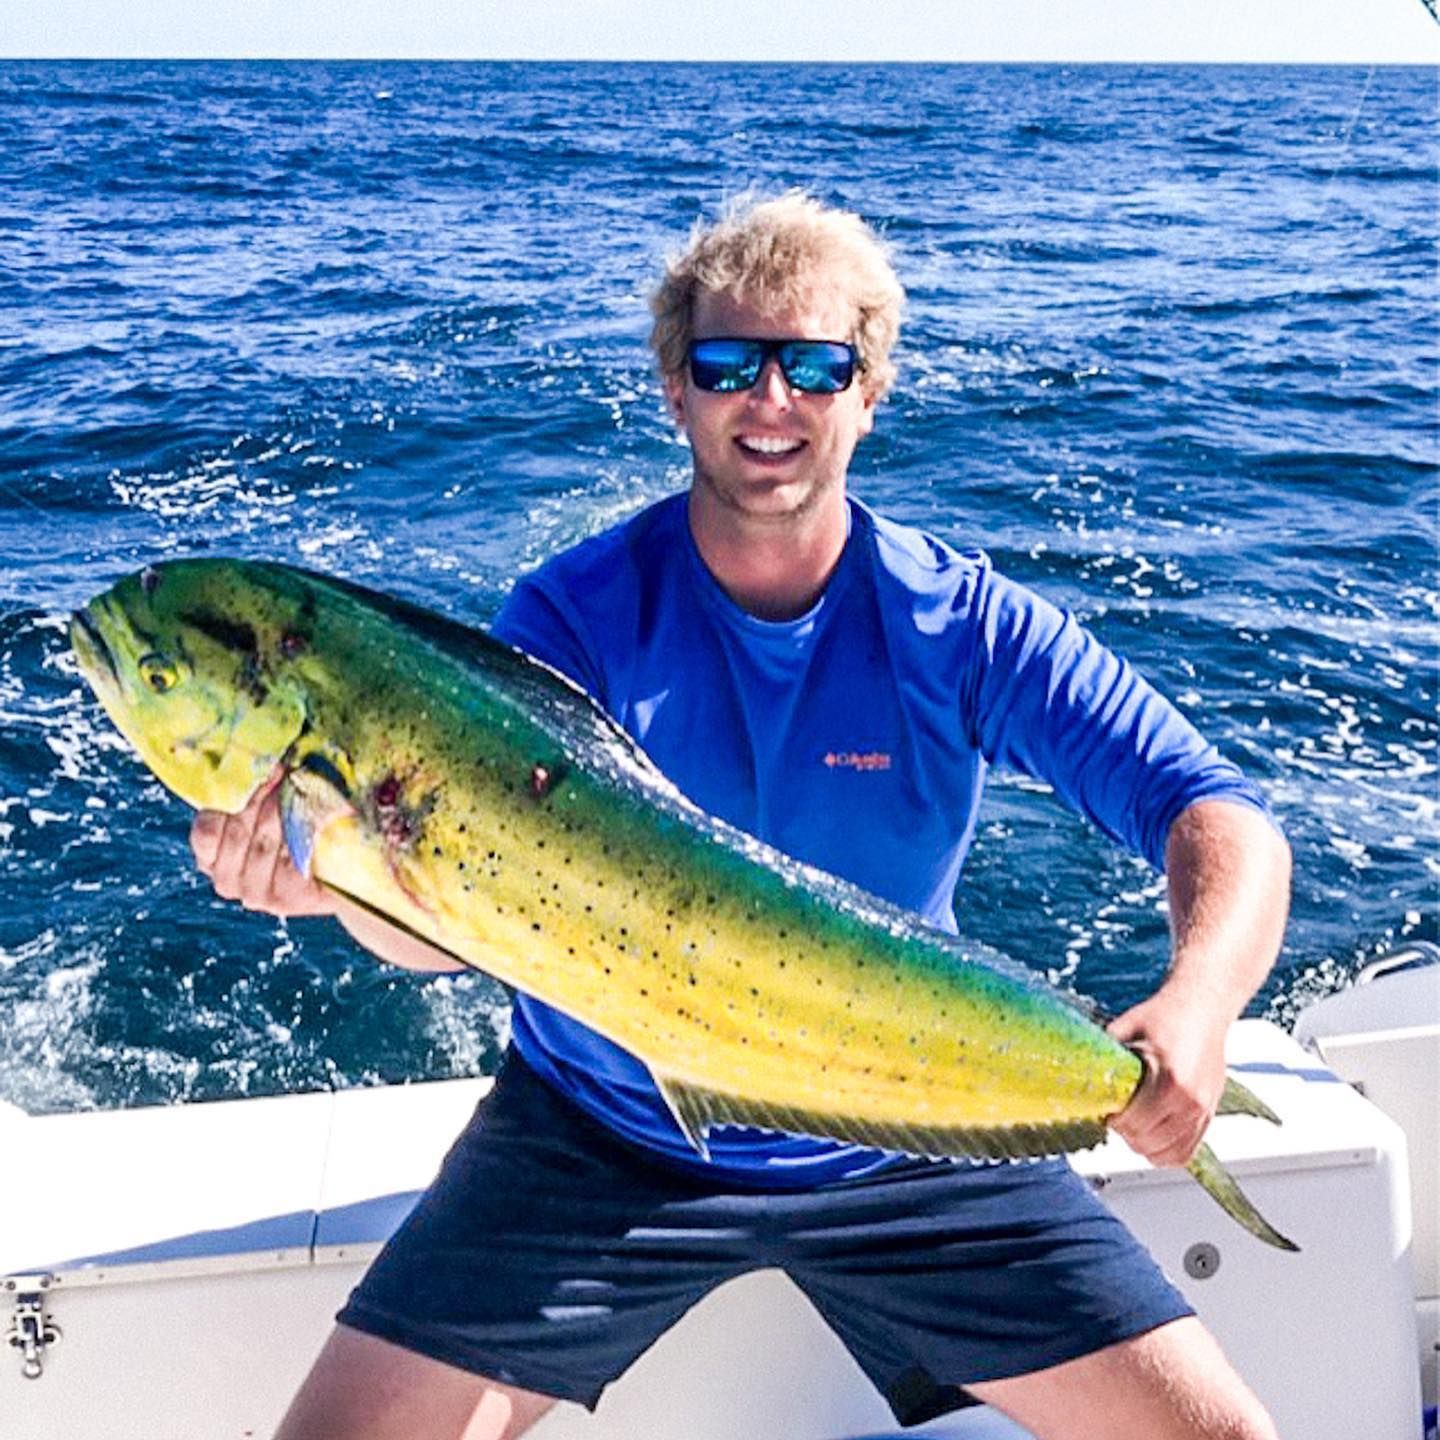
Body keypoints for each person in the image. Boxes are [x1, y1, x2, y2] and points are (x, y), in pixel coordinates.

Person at [192, 192, 1291, 1440]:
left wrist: (1198, 1007)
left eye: (817, 366)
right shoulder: (570, 622)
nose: (771, 401)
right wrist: (333, 883)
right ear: (676, 392)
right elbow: (454, 916)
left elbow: (1211, 809)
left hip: (909, 1130)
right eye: (727, 364)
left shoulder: (961, 620)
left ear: (869, 394)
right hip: (603, 1136)